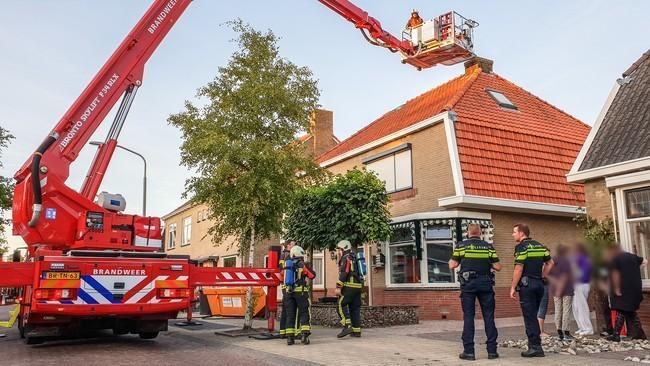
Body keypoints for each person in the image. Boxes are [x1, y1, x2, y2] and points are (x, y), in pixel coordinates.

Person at [448, 223, 502, 361]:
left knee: (469, 317)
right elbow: (498, 267)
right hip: (486, 285)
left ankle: (469, 352)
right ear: (480, 233)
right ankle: (492, 352)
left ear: (468, 232)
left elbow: (452, 265)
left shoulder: (461, 246)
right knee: (489, 317)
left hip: (468, 285)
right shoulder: (488, 246)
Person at [509, 223, 554, 358]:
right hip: (539, 285)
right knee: (533, 315)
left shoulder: (521, 247)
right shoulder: (540, 246)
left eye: (514, 232)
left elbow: (519, 268)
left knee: (529, 317)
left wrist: (512, 287)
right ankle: (535, 345)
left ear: (522, 233)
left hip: (527, 285)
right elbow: (551, 263)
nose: (513, 234)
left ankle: (535, 347)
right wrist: (543, 276)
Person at [606, 245, 648, 342]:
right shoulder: (633, 256)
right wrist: (635, 270)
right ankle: (640, 334)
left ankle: (616, 335)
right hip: (635, 288)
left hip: (623, 288)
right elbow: (645, 261)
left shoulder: (614, 259)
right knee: (630, 310)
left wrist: (616, 289)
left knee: (621, 309)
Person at [284, 245, 315, 345]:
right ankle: (304, 336)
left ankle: (290, 338)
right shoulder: (303, 264)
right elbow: (312, 275)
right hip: (301, 293)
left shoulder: (287, 264)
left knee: (290, 315)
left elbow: (281, 277)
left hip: (288, 293)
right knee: (304, 313)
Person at [335, 239, 363, 338]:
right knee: (354, 308)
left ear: (344, 248)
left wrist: (338, 287)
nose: (338, 251)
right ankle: (356, 331)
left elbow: (344, 272)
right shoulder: (354, 257)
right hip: (358, 287)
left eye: (339, 249)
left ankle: (347, 326)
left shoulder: (346, 258)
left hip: (349, 287)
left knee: (340, 305)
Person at [548, 244, 574, 340]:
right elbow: (566, 276)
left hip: (555, 290)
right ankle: (566, 332)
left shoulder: (552, 260)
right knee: (566, 310)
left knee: (558, 310)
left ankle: (559, 332)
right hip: (566, 289)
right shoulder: (566, 261)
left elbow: (548, 274)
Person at [572, 243, 593, 336]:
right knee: (576, 306)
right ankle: (582, 327)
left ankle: (587, 328)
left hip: (581, 284)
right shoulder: (583, 258)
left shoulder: (581, 258)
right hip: (580, 283)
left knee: (581, 306)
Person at [278, 239, 296, 339]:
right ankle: (286, 332)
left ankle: (283, 332)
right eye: (293, 244)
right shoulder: (286, 255)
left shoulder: (287, 255)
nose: (295, 246)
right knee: (288, 309)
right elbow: (282, 268)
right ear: (288, 245)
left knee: (286, 308)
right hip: (287, 285)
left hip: (286, 285)